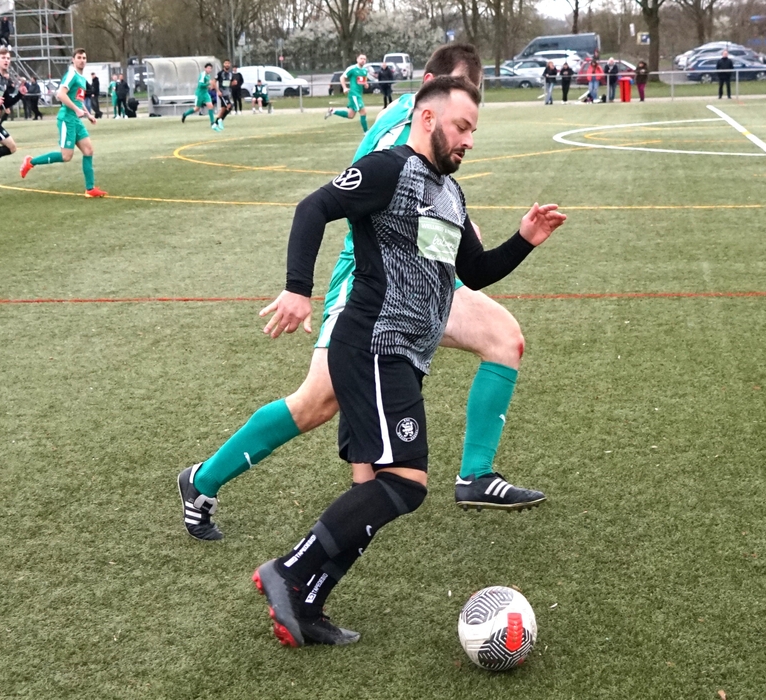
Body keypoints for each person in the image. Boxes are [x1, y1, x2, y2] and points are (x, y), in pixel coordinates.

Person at [177, 44, 548, 544]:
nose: (467, 128)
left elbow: (440, 220)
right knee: (316, 402)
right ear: (431, 90)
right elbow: (353, 206)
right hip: (373, 280)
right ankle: (202, 480)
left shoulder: (433, 145)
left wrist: (472, 232)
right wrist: (298, 288)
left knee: (504, 338)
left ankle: (475, 475)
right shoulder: (402, 135)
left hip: (425, 272)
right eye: (460, 99)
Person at [250, 74, 566, 647]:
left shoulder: (449, 194)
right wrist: (298, 288)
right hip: (373, 343)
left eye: (473, 130)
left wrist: (525, 238)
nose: (469, 140)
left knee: (377, 485)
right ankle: (290, 572)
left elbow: (474, 272)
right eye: (461, 126)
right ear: (427, 118)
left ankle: (307, 602)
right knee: (406, 483)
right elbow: (313, 207)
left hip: (402, 355)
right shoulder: (388, 169)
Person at [19, 48, 106, 198]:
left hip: (76, 120)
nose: (82, 60)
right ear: (73, 60)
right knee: (66, 156)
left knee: (88, 151)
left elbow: (78, 100)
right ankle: (31, 162)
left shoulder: (81, 78)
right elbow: (60, 95)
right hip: (67, 118)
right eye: (79, 57)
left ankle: (90, 189)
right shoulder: (71, 74)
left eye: (84, 58)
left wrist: (87, 114)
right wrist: (76, 110)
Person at [325, 53, 369, 133]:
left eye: (364, 59)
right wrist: (344, 88)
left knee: (350, 115)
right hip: (354, 94)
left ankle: (332, 111)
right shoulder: (352, 68)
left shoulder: (365, 71)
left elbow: (362, 81)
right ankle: (366, 132)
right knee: (363, 112)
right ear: (357, 59)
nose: (363, 60)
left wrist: (366, 84)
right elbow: (342, 77)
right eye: (361, 58)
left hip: (359, 94)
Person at [181, 63, 217, 129]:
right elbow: (200, 85)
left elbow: (206, 85)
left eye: (210, 68)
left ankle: (212, 122)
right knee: (196, 109)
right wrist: (208, 84)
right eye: (208, 68)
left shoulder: (208, 75)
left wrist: (209, 87)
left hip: (205, 93)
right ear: (205, 68)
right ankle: (185, 114)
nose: (209, 69)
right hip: (199, 94)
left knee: (210, 106)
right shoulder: (202, 75)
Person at [214, 59, 235, 129]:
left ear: (230, 64)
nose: (227, 65)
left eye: (228, 63)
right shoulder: (220, 73)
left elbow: (231, 83)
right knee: (229, 106)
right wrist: (218, 91)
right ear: (223, 64)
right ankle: (220, 120)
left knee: (223, 109)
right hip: (222, 93)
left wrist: (233, 83)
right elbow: (213, 82)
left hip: (228, 93)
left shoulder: (230, 74)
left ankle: (215, 124)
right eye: (226, 63)